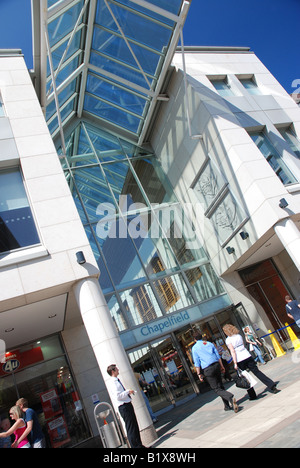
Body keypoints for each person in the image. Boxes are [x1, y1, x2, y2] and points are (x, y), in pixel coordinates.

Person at [223, 324, 280, 401]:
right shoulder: (239, 336)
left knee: (245, 377)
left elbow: (232, 351)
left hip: (239, 358)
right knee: (257, 372)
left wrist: (235, 363)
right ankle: (272, 385)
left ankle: (252, 395)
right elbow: (243, 345)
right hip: (247, 355)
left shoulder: (228, 340)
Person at [191, 331, 239, 413]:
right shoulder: (209, 343)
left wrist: (199, 373)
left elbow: (197, 362)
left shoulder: (195, 348)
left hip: (207, 369)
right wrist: (222, 366)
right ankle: (227, 405)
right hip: (216, 365)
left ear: (195, 339)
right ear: (201, 337)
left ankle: (229, 396)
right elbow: (217, 356)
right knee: (220, 385)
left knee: (216, 388)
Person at [107, 364, 145, 448]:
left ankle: (139, 445)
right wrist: (127, 391)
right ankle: (135, 446)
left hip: (127, 405)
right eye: (116, 369)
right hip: (124, 407)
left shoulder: (116, 380)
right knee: (131, 427)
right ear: (113, 371)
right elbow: (118, 396)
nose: (118, 370)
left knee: (134, 425)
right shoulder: (113, 382)